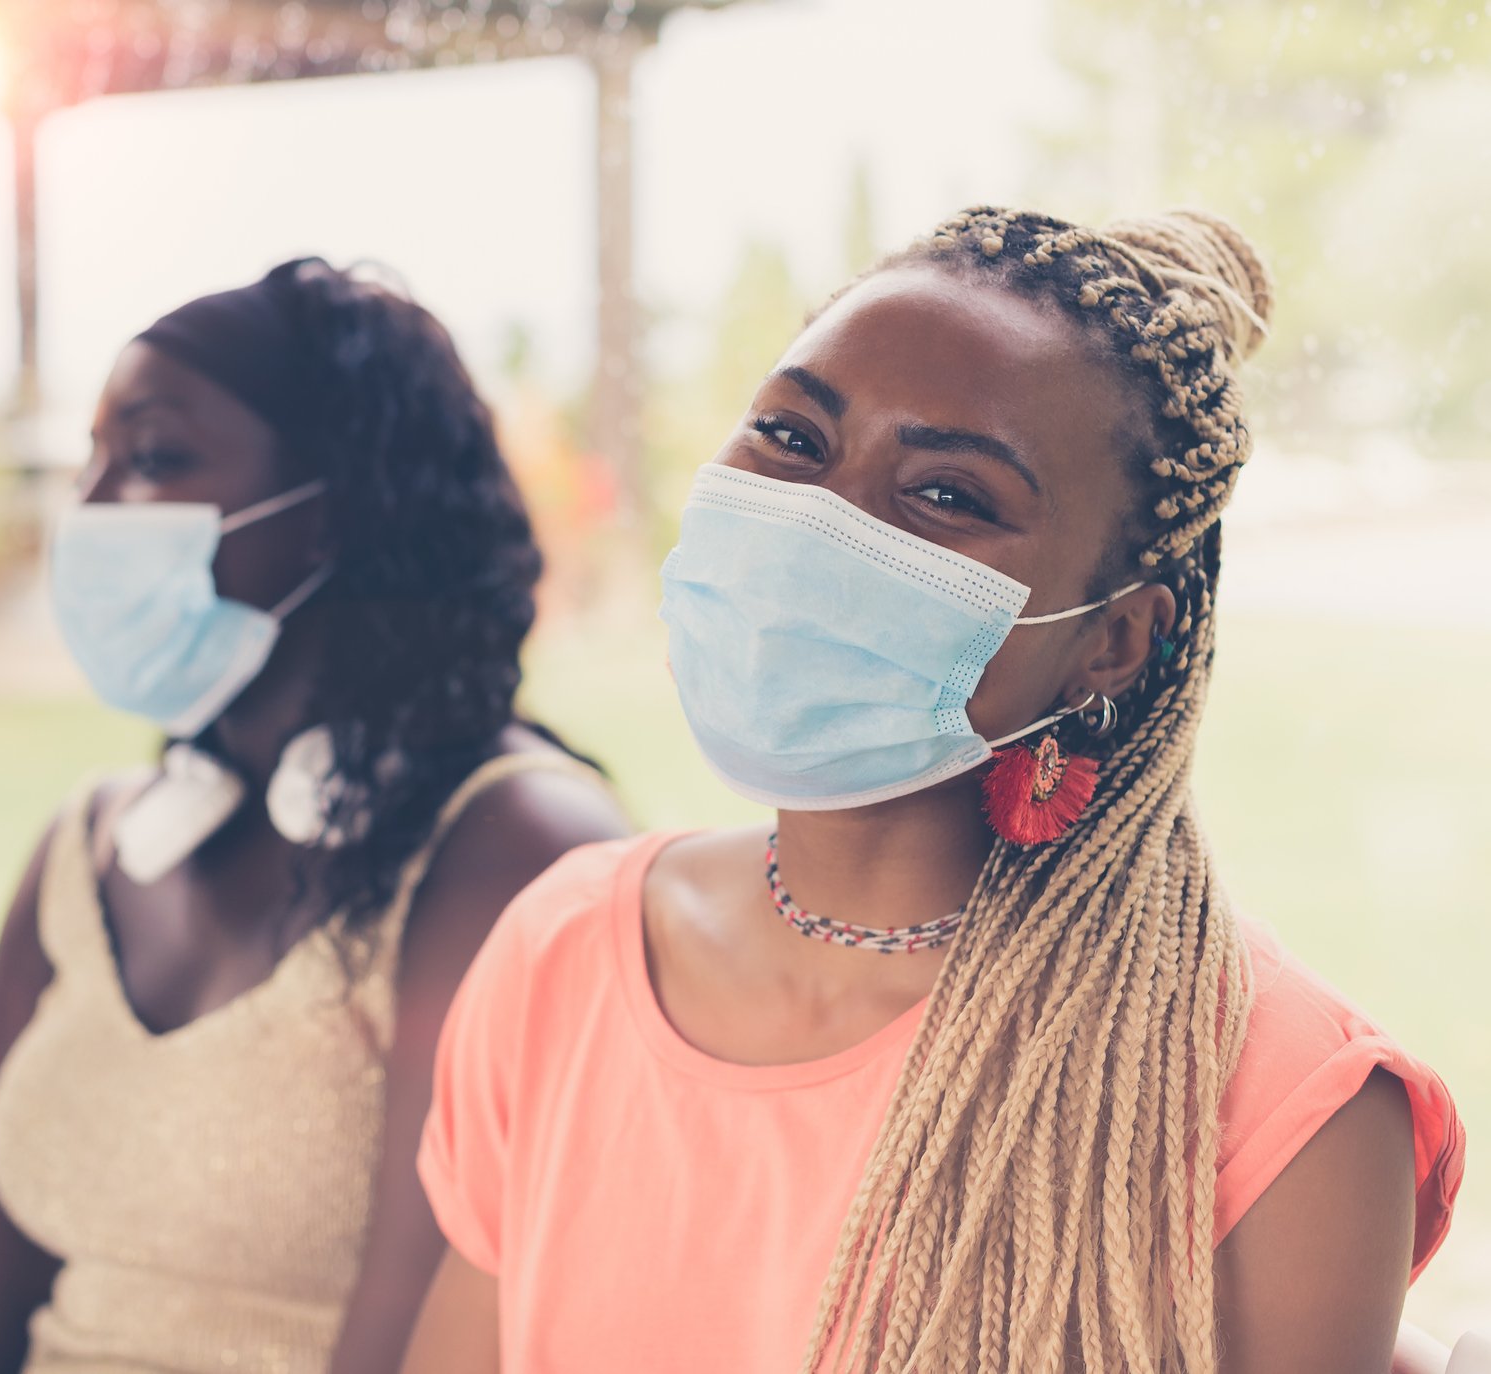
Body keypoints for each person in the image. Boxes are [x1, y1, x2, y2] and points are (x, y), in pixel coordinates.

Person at [404, 209, 1466, 1374]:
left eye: (949, 495)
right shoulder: (559, 952)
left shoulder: (1273, 1100)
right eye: (792, 436)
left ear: (1111, 642)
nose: (820, 514)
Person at [0, 259, 629, 1374]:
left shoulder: (510, 851)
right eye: (94, 461)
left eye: (155, 458)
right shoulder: (85, 854)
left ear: (336, 509)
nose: (89, 510)